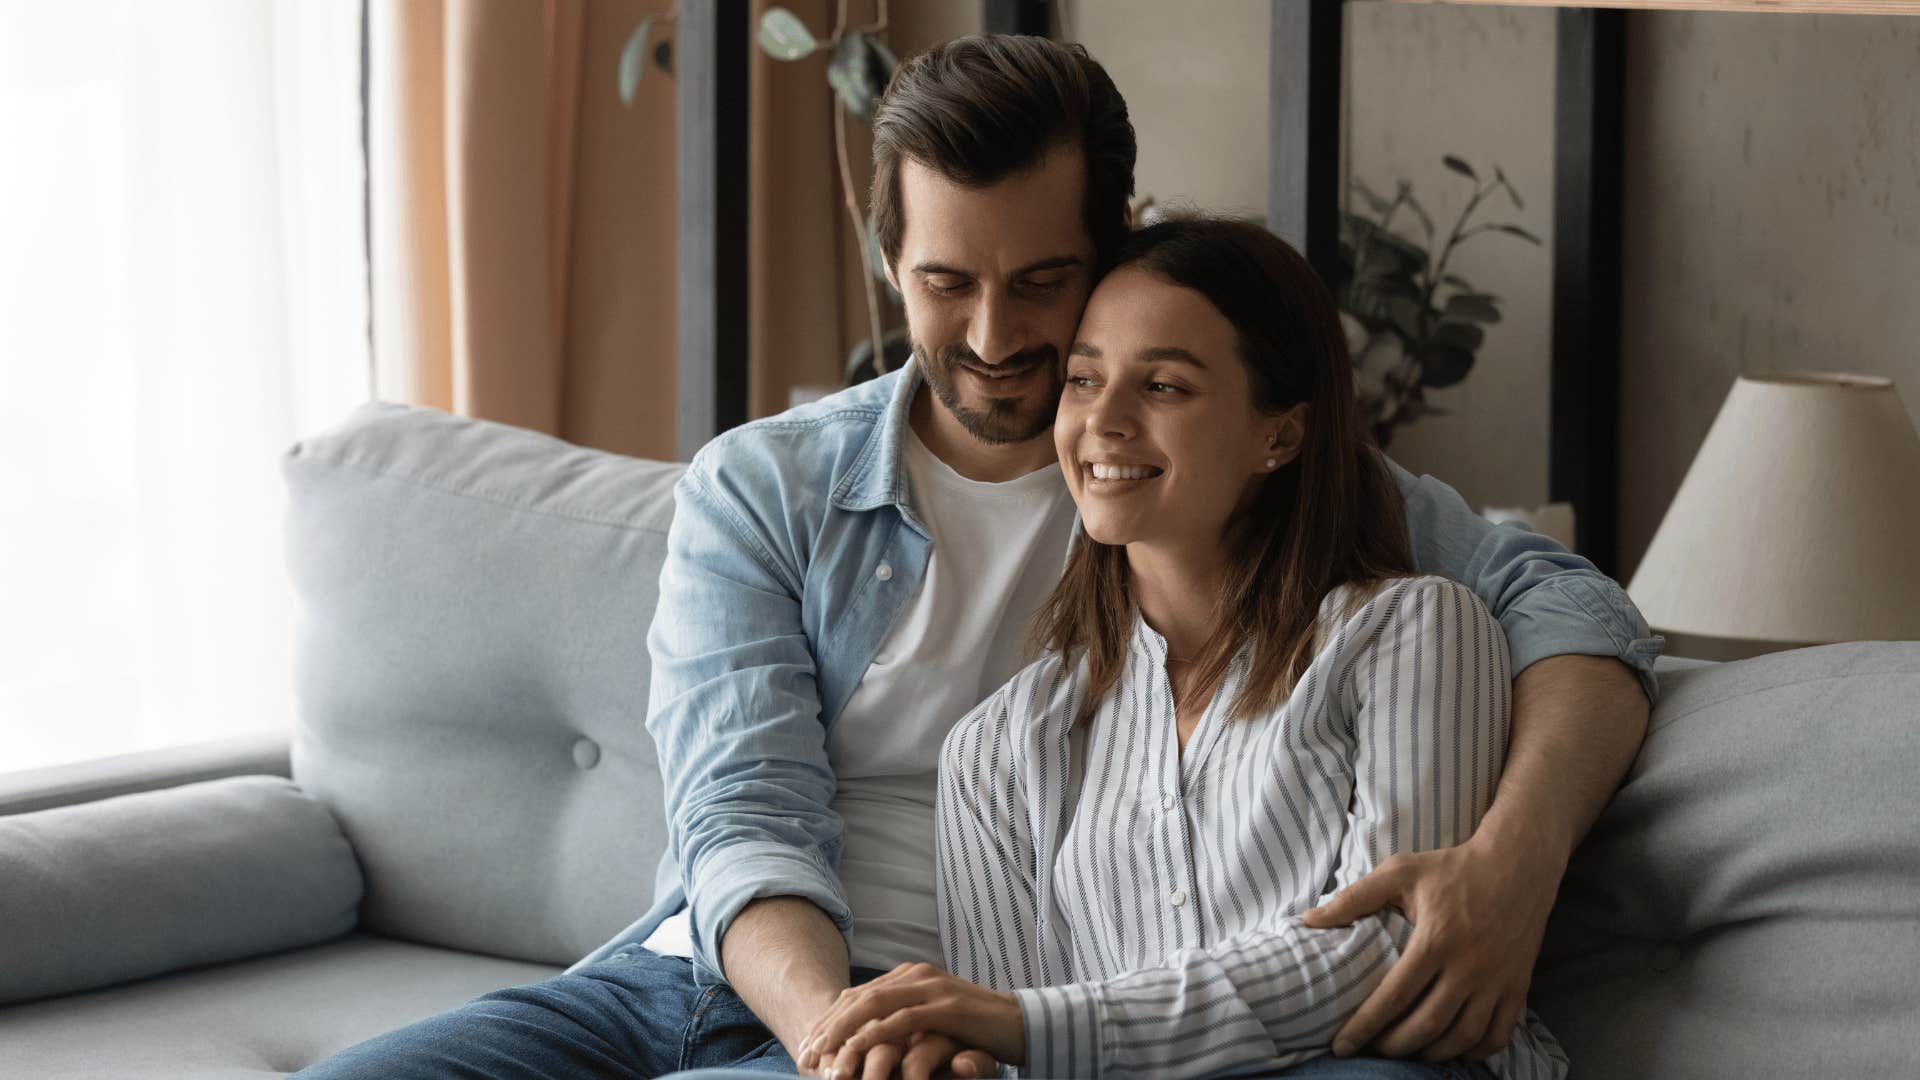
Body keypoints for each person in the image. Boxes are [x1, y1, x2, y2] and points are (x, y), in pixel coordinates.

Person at [296, 35, 1656, 1080]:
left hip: (1021, 1011)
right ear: (891, 262)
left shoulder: (1182, 470)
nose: (998, 335)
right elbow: (742, 822)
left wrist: (1512, 864)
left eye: (1042, 282)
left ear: (1111, 249)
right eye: (948, 283)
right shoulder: (769, 491)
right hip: (744, 976)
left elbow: (1569, 608)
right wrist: (845, 1033)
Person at [793, 217, 1567, 1080]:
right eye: (1084, 379)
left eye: (1162, 386)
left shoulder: (1411, 633)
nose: (1106, 420)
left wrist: (1032, 1024)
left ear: (1279, 434)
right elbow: (1012, 1055)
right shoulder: (998, 752)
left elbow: (1391, 959)